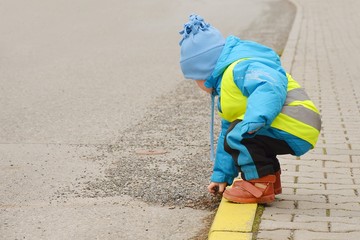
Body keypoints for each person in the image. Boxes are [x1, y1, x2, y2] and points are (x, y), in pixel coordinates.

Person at [178, 14, 321, 204]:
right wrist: (221, 176)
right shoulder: (227, 87)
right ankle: (270, 180)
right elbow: (226, 138)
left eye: (195, 79)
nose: (197, 85)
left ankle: (258, 185)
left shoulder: (239, 68)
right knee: (238, 133)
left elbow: (268, 85)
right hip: (296, 124)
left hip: (297, 122)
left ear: (205, 70)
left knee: (243, 133)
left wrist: (256, 118)